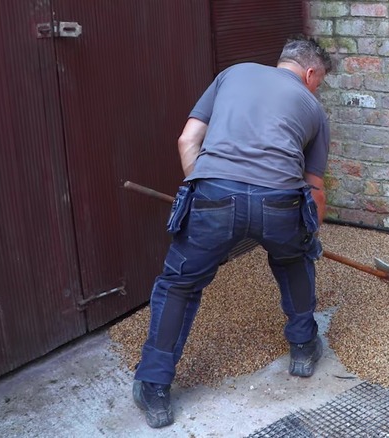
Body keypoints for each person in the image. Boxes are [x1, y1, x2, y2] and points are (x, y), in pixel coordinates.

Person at [132, 35, 333, 429]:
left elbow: (187, 139)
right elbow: (314, 188)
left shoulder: (231, 74)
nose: (316, 88)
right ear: (310, 73)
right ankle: (303, 347)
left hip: (214, 192)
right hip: (279, 201)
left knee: (179, 285)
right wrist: (310, 235)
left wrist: (205, 194)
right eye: (319, 81)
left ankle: (154, 386)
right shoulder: (314, 108)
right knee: (294, 260)